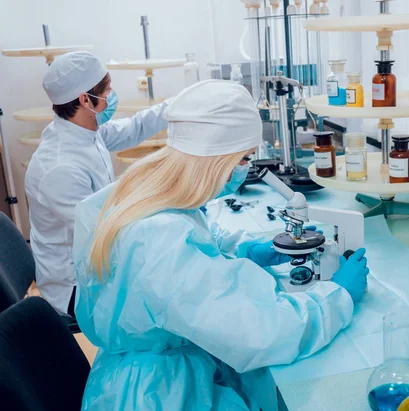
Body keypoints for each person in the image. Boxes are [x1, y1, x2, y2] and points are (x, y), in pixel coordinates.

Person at [73, 80, 370, 410]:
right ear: (213, 160)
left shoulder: (141, 192)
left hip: (150, 369)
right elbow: (261, 333)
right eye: (243, 159)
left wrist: (244, 251)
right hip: (162, 393)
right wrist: (337, 296)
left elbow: (193, 253)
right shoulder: (161, 242)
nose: (245, 168)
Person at [25, 51, 171, 316]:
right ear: (85, 99)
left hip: (101, 256)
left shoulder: (84, 132)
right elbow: (105, 233)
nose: (112, 95)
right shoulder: (60, 167)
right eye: (107, 90)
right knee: (168, 299)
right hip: (76, 287)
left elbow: (133, 128)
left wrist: (178, 105)